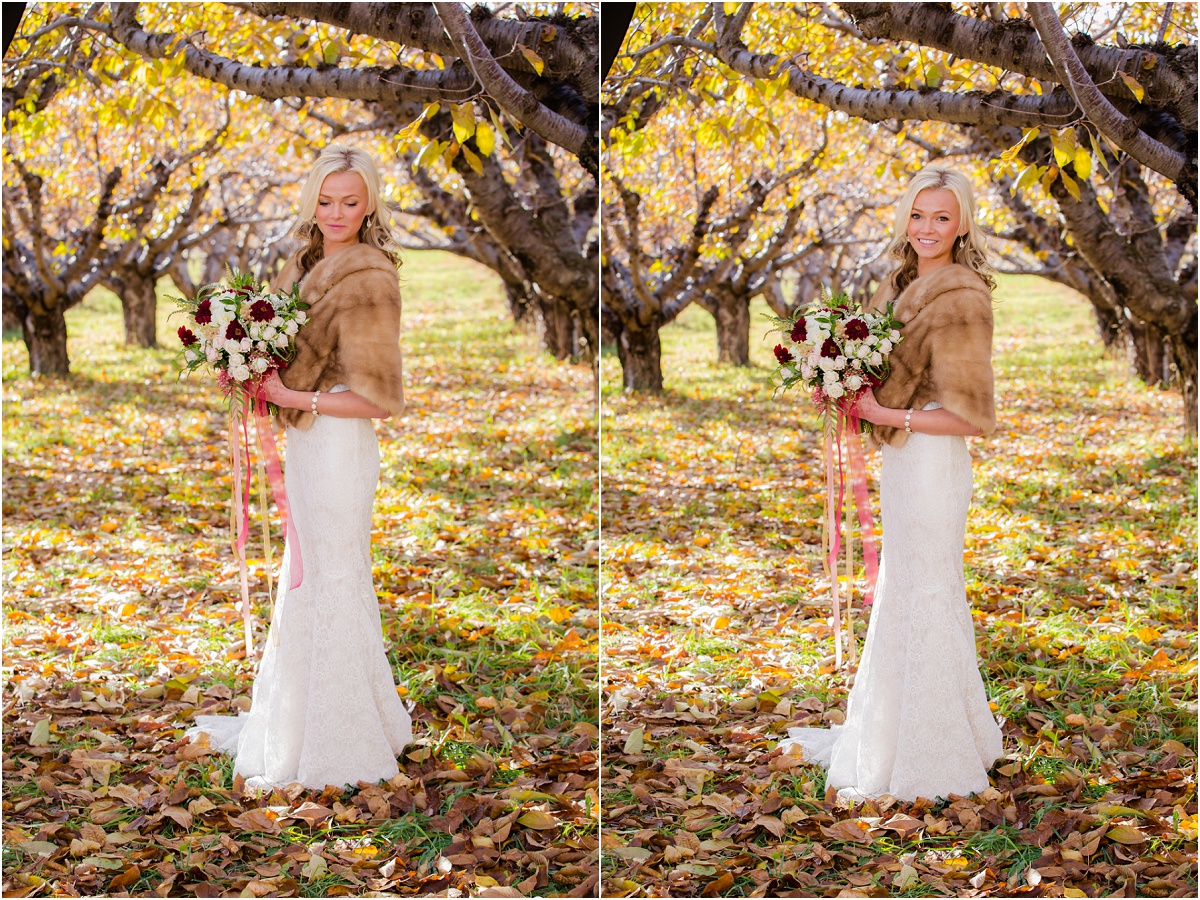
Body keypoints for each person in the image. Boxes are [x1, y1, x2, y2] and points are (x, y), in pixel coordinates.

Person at [187, 145, 413, 792]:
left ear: (369, 203)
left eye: (350, 200)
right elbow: (287, 350)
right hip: (308, 445)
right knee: (307, 578)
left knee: (336, 577)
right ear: (310, 199)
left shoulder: (369, 277)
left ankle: (343, 746)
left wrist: (292, 397)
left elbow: (380, 400)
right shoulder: (306, 264)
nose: (336, 212)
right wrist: (245, 361)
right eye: (324, 199)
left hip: (339, 446)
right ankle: (313, 719)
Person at [780, 164, 1004, 802]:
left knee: (927, 589)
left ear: (961, 226)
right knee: (909, 589)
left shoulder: (961, 297)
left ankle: (934, 752)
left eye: (941, 216)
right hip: (904, 462)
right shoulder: (902, 284)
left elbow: (972, 416)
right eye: (917, 214)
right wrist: (840, 382)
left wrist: (885, 413)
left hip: (932, 463)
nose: (927, 228)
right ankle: (907, 729)